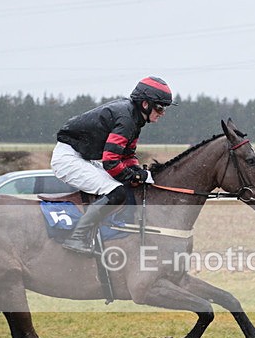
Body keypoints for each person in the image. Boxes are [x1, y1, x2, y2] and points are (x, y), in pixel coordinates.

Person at [51, 76, 173, 255]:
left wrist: (137, 170)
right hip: (68, 158)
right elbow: (111, 161)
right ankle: (77, 237)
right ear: (145, 104)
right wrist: (135, 177)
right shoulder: (126, 119)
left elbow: (128, 154)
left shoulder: (135, 118)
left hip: (81, 156)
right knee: (116, 192)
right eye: (160, 107)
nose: (162, 113)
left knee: (122, 185)